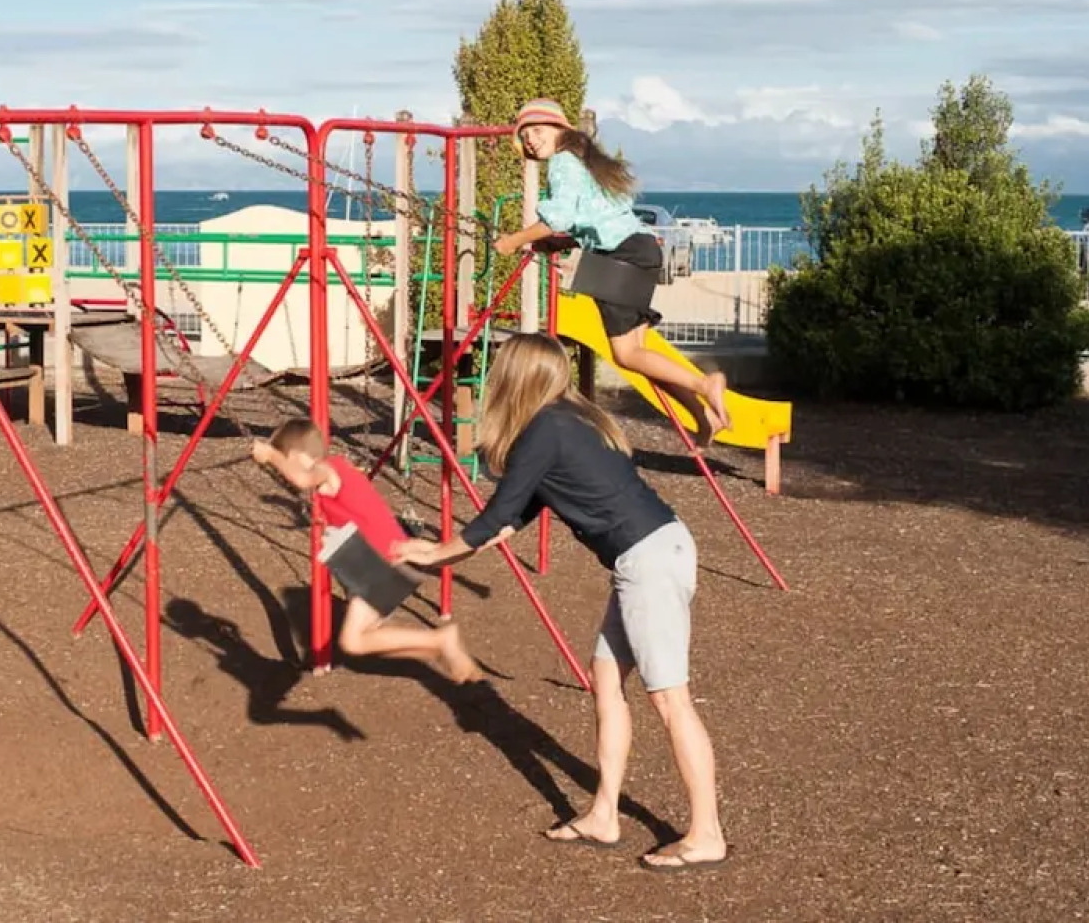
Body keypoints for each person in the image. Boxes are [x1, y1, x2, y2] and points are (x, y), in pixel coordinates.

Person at [394, 333, 728, 874]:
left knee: (671, 700)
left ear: (516, 378)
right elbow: (527, 504)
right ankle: (603, 814)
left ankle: (707, 832)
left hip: (649, 561)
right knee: (605, 675)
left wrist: (438, 553)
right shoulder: (566, 421)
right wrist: (492, 532)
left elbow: (499, 510)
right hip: (651, 553)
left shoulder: (545, 429)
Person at [493, 97, 731, 445]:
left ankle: (706, 385)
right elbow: (593, 218)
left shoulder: (562, 162)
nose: (531, 140)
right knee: (640, 354)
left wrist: (514, 240)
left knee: (627, 355)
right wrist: (558, 243)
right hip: (641, 248)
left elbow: (559, 217)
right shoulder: (585, 161)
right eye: (526, 136)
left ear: (559, 129)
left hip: (621, 257)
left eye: (537, 130)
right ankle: (701, 416)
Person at [252, 418, 481, 684]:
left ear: (301, 456)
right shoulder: (340, 469)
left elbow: (302, 478)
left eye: (287, 461)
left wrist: (270, 455)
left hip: (380, 563)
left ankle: (440, 639)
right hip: (387, 560)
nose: (285, 474)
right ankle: (433, 649)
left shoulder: (326, 470)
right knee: (371, 634)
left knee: (353, 641)